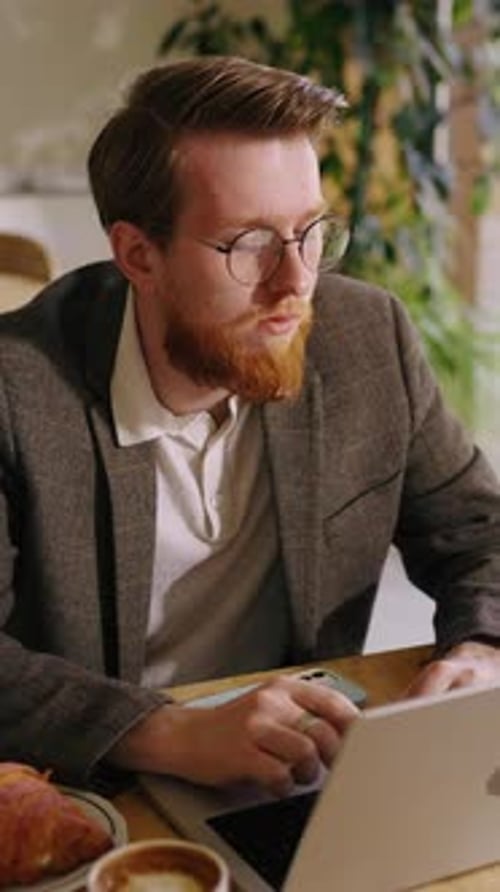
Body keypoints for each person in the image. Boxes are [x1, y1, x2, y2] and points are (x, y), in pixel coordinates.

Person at [1, 55, 500, 797]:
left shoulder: (364, 337)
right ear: (139, 254)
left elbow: (477, 531)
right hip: (99, 790)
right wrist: (163, 730)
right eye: (249, 244)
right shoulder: (17, 394)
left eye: (310, 231)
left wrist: (482, 651)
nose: (297, 282)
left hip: (301, 777)